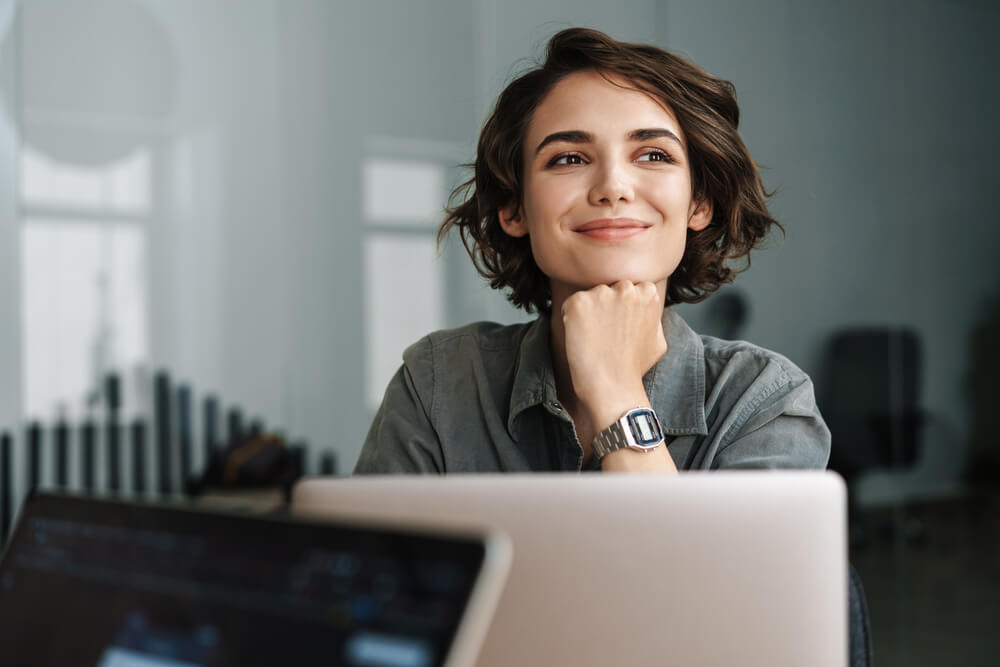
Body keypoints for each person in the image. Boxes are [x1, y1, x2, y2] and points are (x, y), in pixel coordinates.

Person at [355, 27, 830, 475]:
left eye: (653, 155)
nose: (612, 188)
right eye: (568, 159)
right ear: (513, 208)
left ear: (699, 202)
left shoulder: (764, 401)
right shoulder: (437, 384)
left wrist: (615, 391)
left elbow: (693, 567)